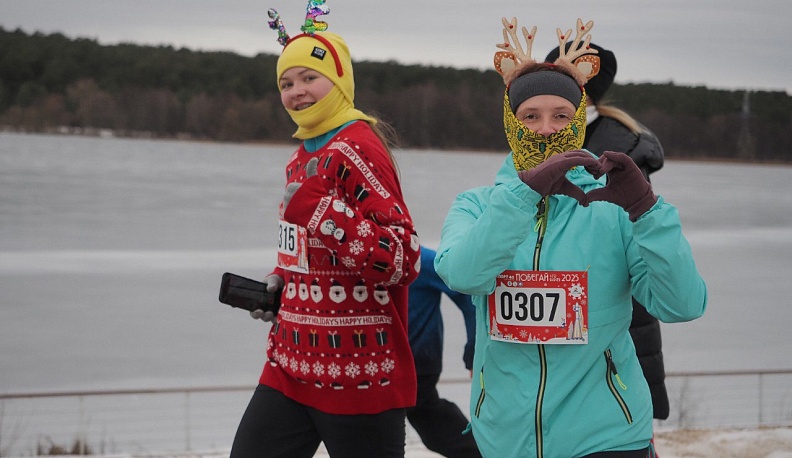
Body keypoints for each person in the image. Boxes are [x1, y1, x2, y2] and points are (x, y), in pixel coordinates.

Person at [433, 16, 707, 458]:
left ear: (580, 120)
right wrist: (522, 196)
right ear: (510, 122)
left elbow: (683, 304)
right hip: (505, 439)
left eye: (561, 115)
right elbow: (463, 275)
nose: (545, 129)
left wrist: (647, 210)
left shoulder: (614, 210)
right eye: (530, 116)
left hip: (608, 438)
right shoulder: (477, 205)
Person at [229, 6, 421, 458]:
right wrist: (280, 279)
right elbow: (305, 248)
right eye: (286, 83)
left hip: (357, 375)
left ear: (339, 81)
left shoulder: (356, 146)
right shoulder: (303, 155)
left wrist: (320, 209)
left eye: (309, 78)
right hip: (291, 365)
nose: (297, 92)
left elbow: (402, 260)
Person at [544, 43, 670, 421]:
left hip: (610, 314)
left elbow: (627, 247)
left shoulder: (614, 153)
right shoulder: (552, 140)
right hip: (567, 312)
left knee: (614, 419)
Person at [407, 246, 481, 458]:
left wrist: (474, 351)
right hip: (371, 363)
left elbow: (467, 293)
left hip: (418, 363)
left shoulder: (419, 259)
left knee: (428, 416)